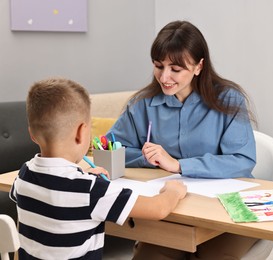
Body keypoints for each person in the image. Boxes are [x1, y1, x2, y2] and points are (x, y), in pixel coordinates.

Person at [107, 20, 259, 259]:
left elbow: (242, 160)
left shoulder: (229, 99)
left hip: (228, 210)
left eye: (175, 70)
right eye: (158, 66)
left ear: (199, 66)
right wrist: (152, 159)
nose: (164, 77)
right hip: (172, 209)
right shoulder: (142, 104)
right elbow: (111, 147)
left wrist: (178, 165)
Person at [9, 77, 187, 260]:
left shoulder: (24, 174)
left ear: (32, 134)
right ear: (81, 132)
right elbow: (158, 209)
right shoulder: (91, 190)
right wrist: (173, 191)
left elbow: (55, 189)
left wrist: (82, 176)